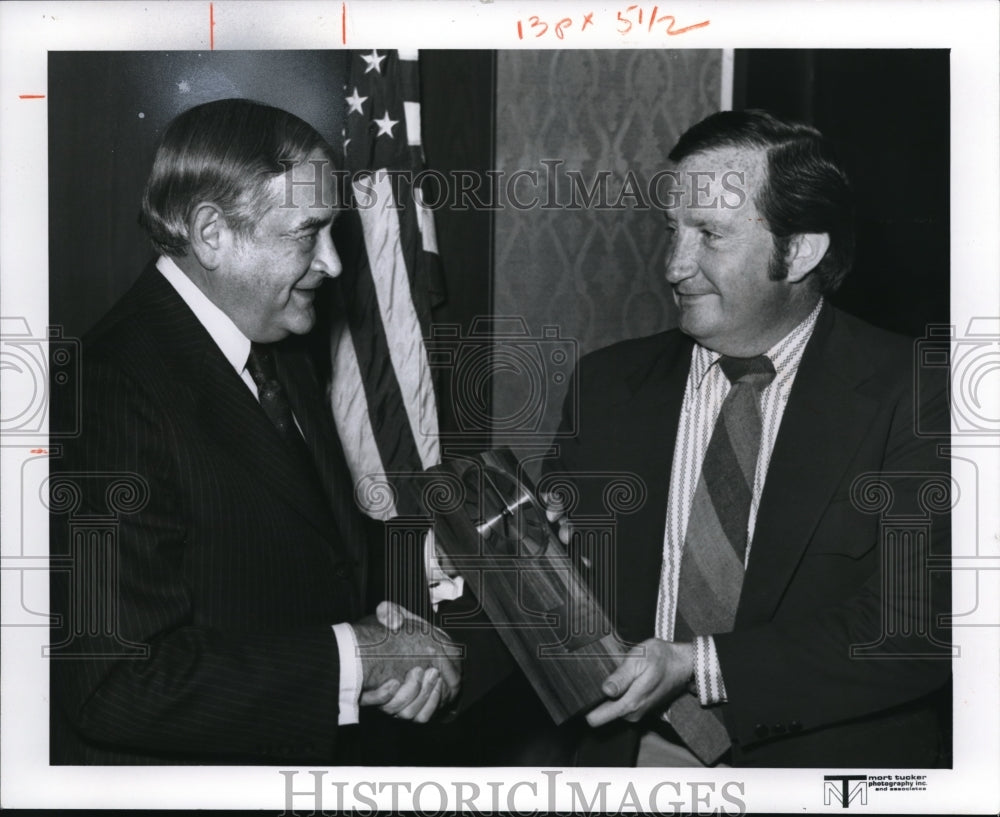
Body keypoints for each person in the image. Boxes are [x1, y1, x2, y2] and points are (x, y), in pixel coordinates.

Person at [49, 98, 462, 765]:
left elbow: (311, 544)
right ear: (212, 233)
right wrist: (359, 658)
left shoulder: (279, 347)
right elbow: (117, 681)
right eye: (309, 232)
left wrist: (438, 557)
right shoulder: (103, 389)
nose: (333, 263)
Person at [549, 109, 951, 767]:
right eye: (671, 230)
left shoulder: (921, 395)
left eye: (709, 233)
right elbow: (561, 590)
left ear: (800, 251)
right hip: (626, 762)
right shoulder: (608, 383)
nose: (675, 265)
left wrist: (698, 664)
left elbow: (915, 631)